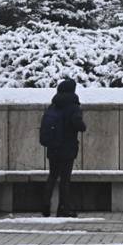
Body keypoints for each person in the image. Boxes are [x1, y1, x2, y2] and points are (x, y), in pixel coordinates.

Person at [41, 78, 86, 218]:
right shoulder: (73, 107)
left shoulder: (53, 106)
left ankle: (46, 206)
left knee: (52, 176)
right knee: (65, 179)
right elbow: (79, 125)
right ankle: (64, 208)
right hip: (67, 149)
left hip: (53, 148)